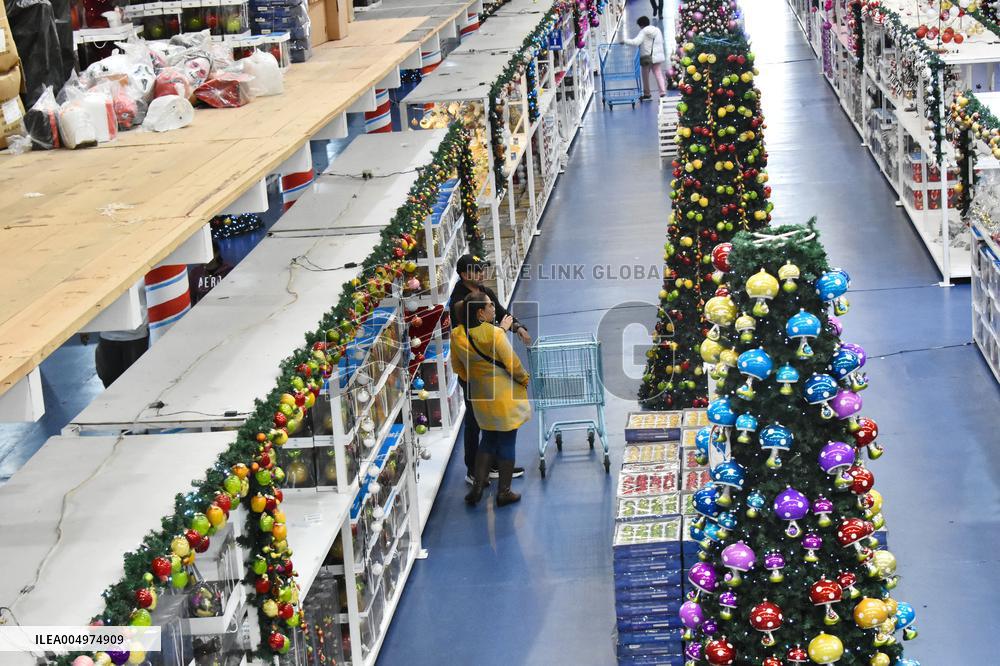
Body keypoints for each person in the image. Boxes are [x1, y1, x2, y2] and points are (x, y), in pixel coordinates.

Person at [449, 254, 531, 485]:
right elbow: (477, 337)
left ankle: (493, 465)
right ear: (465, 275)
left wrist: (517, 326)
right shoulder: (459, 302)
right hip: (477, 374)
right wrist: (502, 332)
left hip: (488, 375)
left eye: (483, 269)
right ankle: (474, 470)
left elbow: (503, 313)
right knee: (475, 421)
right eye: (477, 270)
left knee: (490, 420)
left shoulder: (483, 292)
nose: (482, 273)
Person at [95, 282, 149, 388]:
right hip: (107, 336)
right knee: (110, 382)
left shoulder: (143, 273)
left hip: (135, 338)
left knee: (136, 384)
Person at [624, 16, 667, 100]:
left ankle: (647, 94)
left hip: (647, 57)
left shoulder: (643, 32)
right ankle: (662, 92)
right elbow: (662, 41)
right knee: (658, 73)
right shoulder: (657, 30)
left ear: (642, 25)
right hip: (657, 56)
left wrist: (625, 41)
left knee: (645, 76)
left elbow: (636, 42)